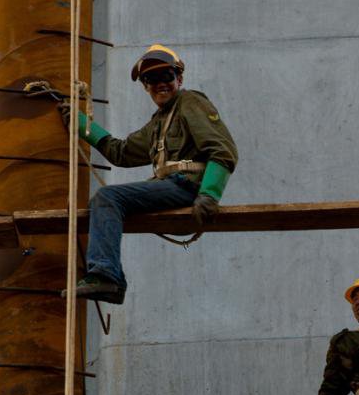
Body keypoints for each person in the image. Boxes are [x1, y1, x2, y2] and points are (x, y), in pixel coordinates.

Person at [61, 44, 238, 304]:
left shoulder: (190, 102)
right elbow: (121, 152)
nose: (159, 84)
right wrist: (83, 125)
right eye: (150, 79)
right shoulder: (159, 122)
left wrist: (210, 194)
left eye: (165, 76)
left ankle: (106, 276)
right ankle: (109, 277)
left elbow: (223, 150)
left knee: (107, 198)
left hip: (185, 186)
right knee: (108, 200)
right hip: (170, 186)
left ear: (179, 78)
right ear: (145, 86)